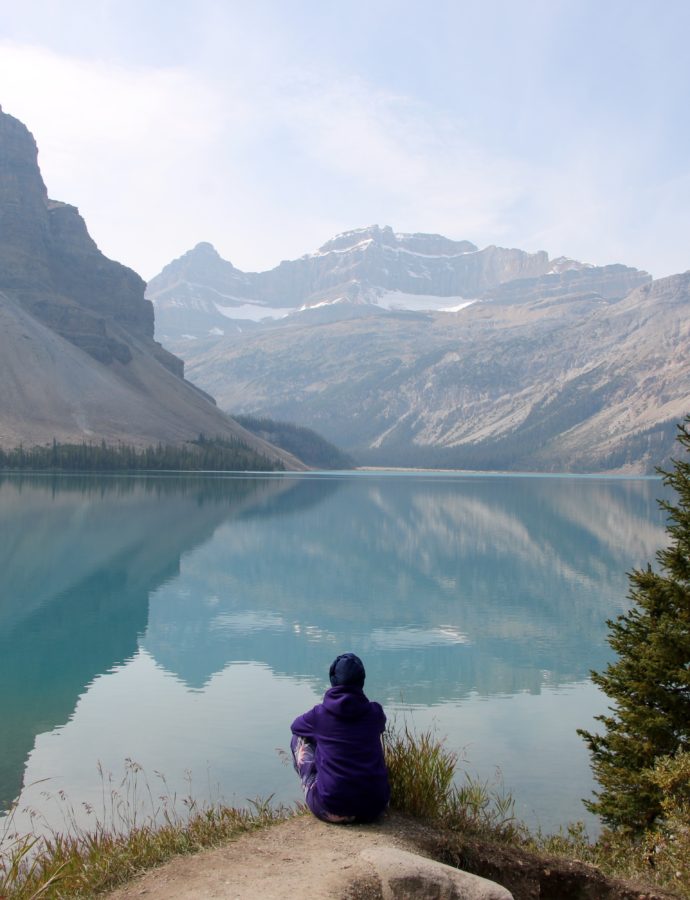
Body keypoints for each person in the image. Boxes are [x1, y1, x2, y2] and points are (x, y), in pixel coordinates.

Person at [290, 652, 390, 824]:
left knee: (299, 739)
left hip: (330, 807)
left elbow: (296, 727)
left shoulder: (319, 715)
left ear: (333, 681)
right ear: (362, 681)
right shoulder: (375, 712)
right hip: (374, 807)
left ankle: (323, 784)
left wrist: (322, 740)